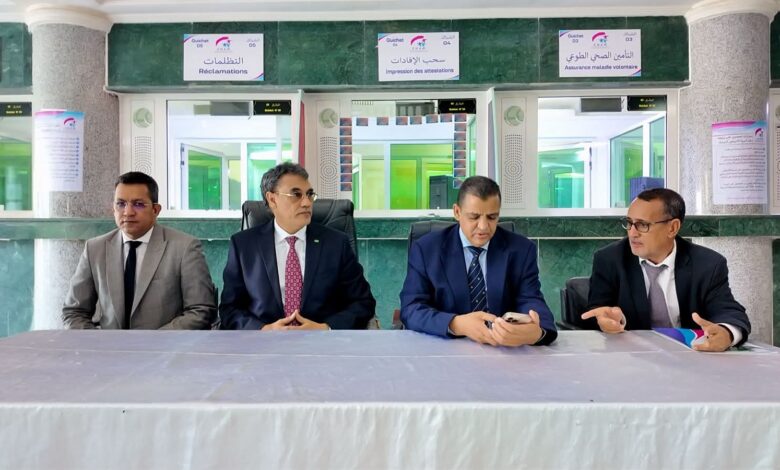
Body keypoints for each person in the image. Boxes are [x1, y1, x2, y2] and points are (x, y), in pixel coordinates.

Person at [582, 188, 751, 352]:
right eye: (629, 223)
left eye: (642, 225)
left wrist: (726, 333)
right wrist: (608, 321)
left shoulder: (708, 264)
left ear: (672, 228)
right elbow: (596, 312)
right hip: (630, 358)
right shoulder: (610, 259)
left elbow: (728, 311)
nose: (632, 233)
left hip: (691, 357)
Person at [400, 176, 557, 346]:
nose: (483, 226)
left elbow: (531, 300)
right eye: (474, 217)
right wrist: (456, 324)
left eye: (492, 217)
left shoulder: (521, 250)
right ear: (457, 212)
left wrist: (537, 332)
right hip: (445, 348)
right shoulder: (427, 249)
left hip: (502, 350)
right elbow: (411, 309)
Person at [219, 162, 375, 330]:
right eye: (296, 194)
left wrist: (325, 328)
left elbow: (363, 302)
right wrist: (263, 329)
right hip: (263, 342)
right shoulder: (244, 246)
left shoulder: (336, 244)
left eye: (309, 194)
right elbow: (230, 309)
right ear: (272, 199)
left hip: (321, 342)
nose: (307, 203)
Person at [62, 172, 216, 329]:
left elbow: (201, 311)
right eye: (121, 204)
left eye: (138, 204)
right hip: (108, 344)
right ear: (113, 209)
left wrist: (153, 341)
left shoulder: (184, 248)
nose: (128, 212)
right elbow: (74, 312)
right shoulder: (95, 249)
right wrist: (99, 341)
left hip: (165, 343)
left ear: (155, 210)